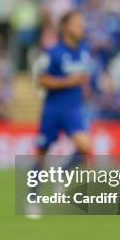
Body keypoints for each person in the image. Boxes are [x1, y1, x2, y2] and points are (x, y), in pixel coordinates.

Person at [33, 10, 92, 189]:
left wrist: (83, 88)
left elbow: (82, 77)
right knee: (41, 154)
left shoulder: (84, 50)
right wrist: (69, 81)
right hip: (53, 109)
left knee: (85, 148)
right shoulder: (53, 52)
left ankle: (62, 172)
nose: (81, 27)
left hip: (73, 109)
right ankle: (32, 196)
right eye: (77, 23)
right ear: (65, 27)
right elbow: (41, 80)